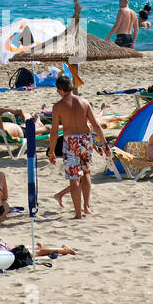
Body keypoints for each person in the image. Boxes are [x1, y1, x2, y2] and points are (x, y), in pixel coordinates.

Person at [46, 76, 109, 219]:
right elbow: (96, 125)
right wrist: (104, 144)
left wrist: (51, 151)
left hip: (71, 142)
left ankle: (78, 213)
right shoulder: (85, 102)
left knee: (73, 178)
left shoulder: (58, 106)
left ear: (60, 90)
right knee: (86, 173)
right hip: (86, 139)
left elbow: (54, 131)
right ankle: (86, 206)